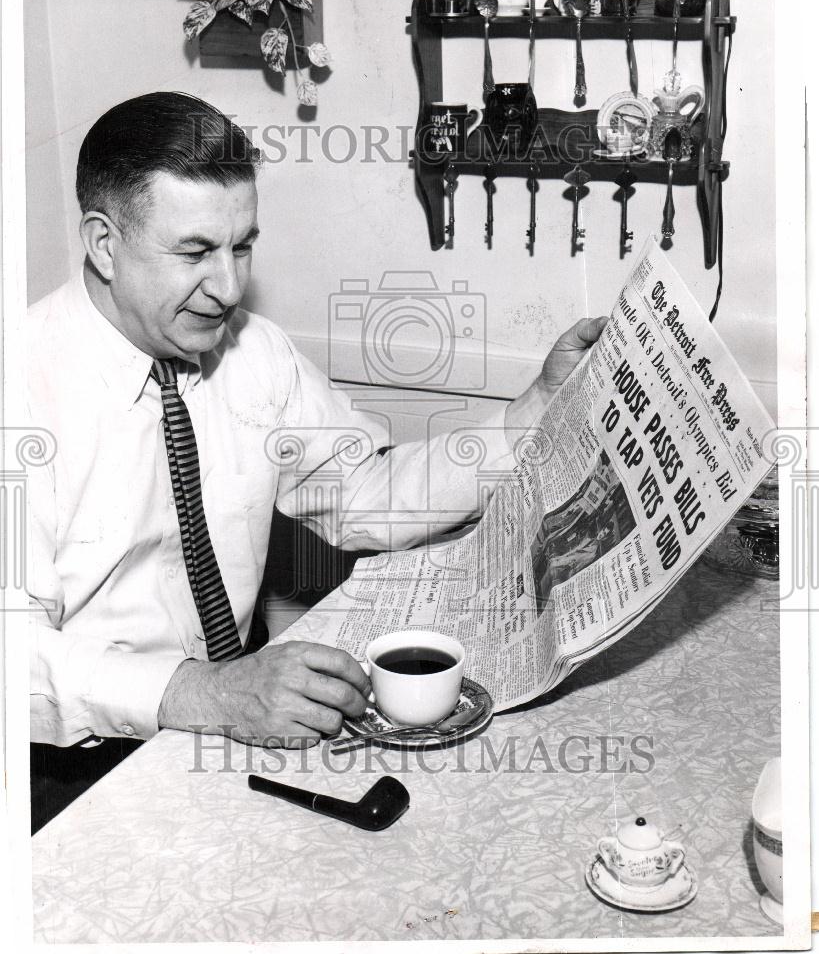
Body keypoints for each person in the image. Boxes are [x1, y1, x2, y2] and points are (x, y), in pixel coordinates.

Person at [27, 91, 606, 772]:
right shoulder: (23, 390)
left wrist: (535, 409)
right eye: (194, 252)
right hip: (68, 765)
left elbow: (363, 491)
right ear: (104, 245)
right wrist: (203, 693)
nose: (228, 287)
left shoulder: (251, 351)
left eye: (241, 247)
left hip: (234, 714)